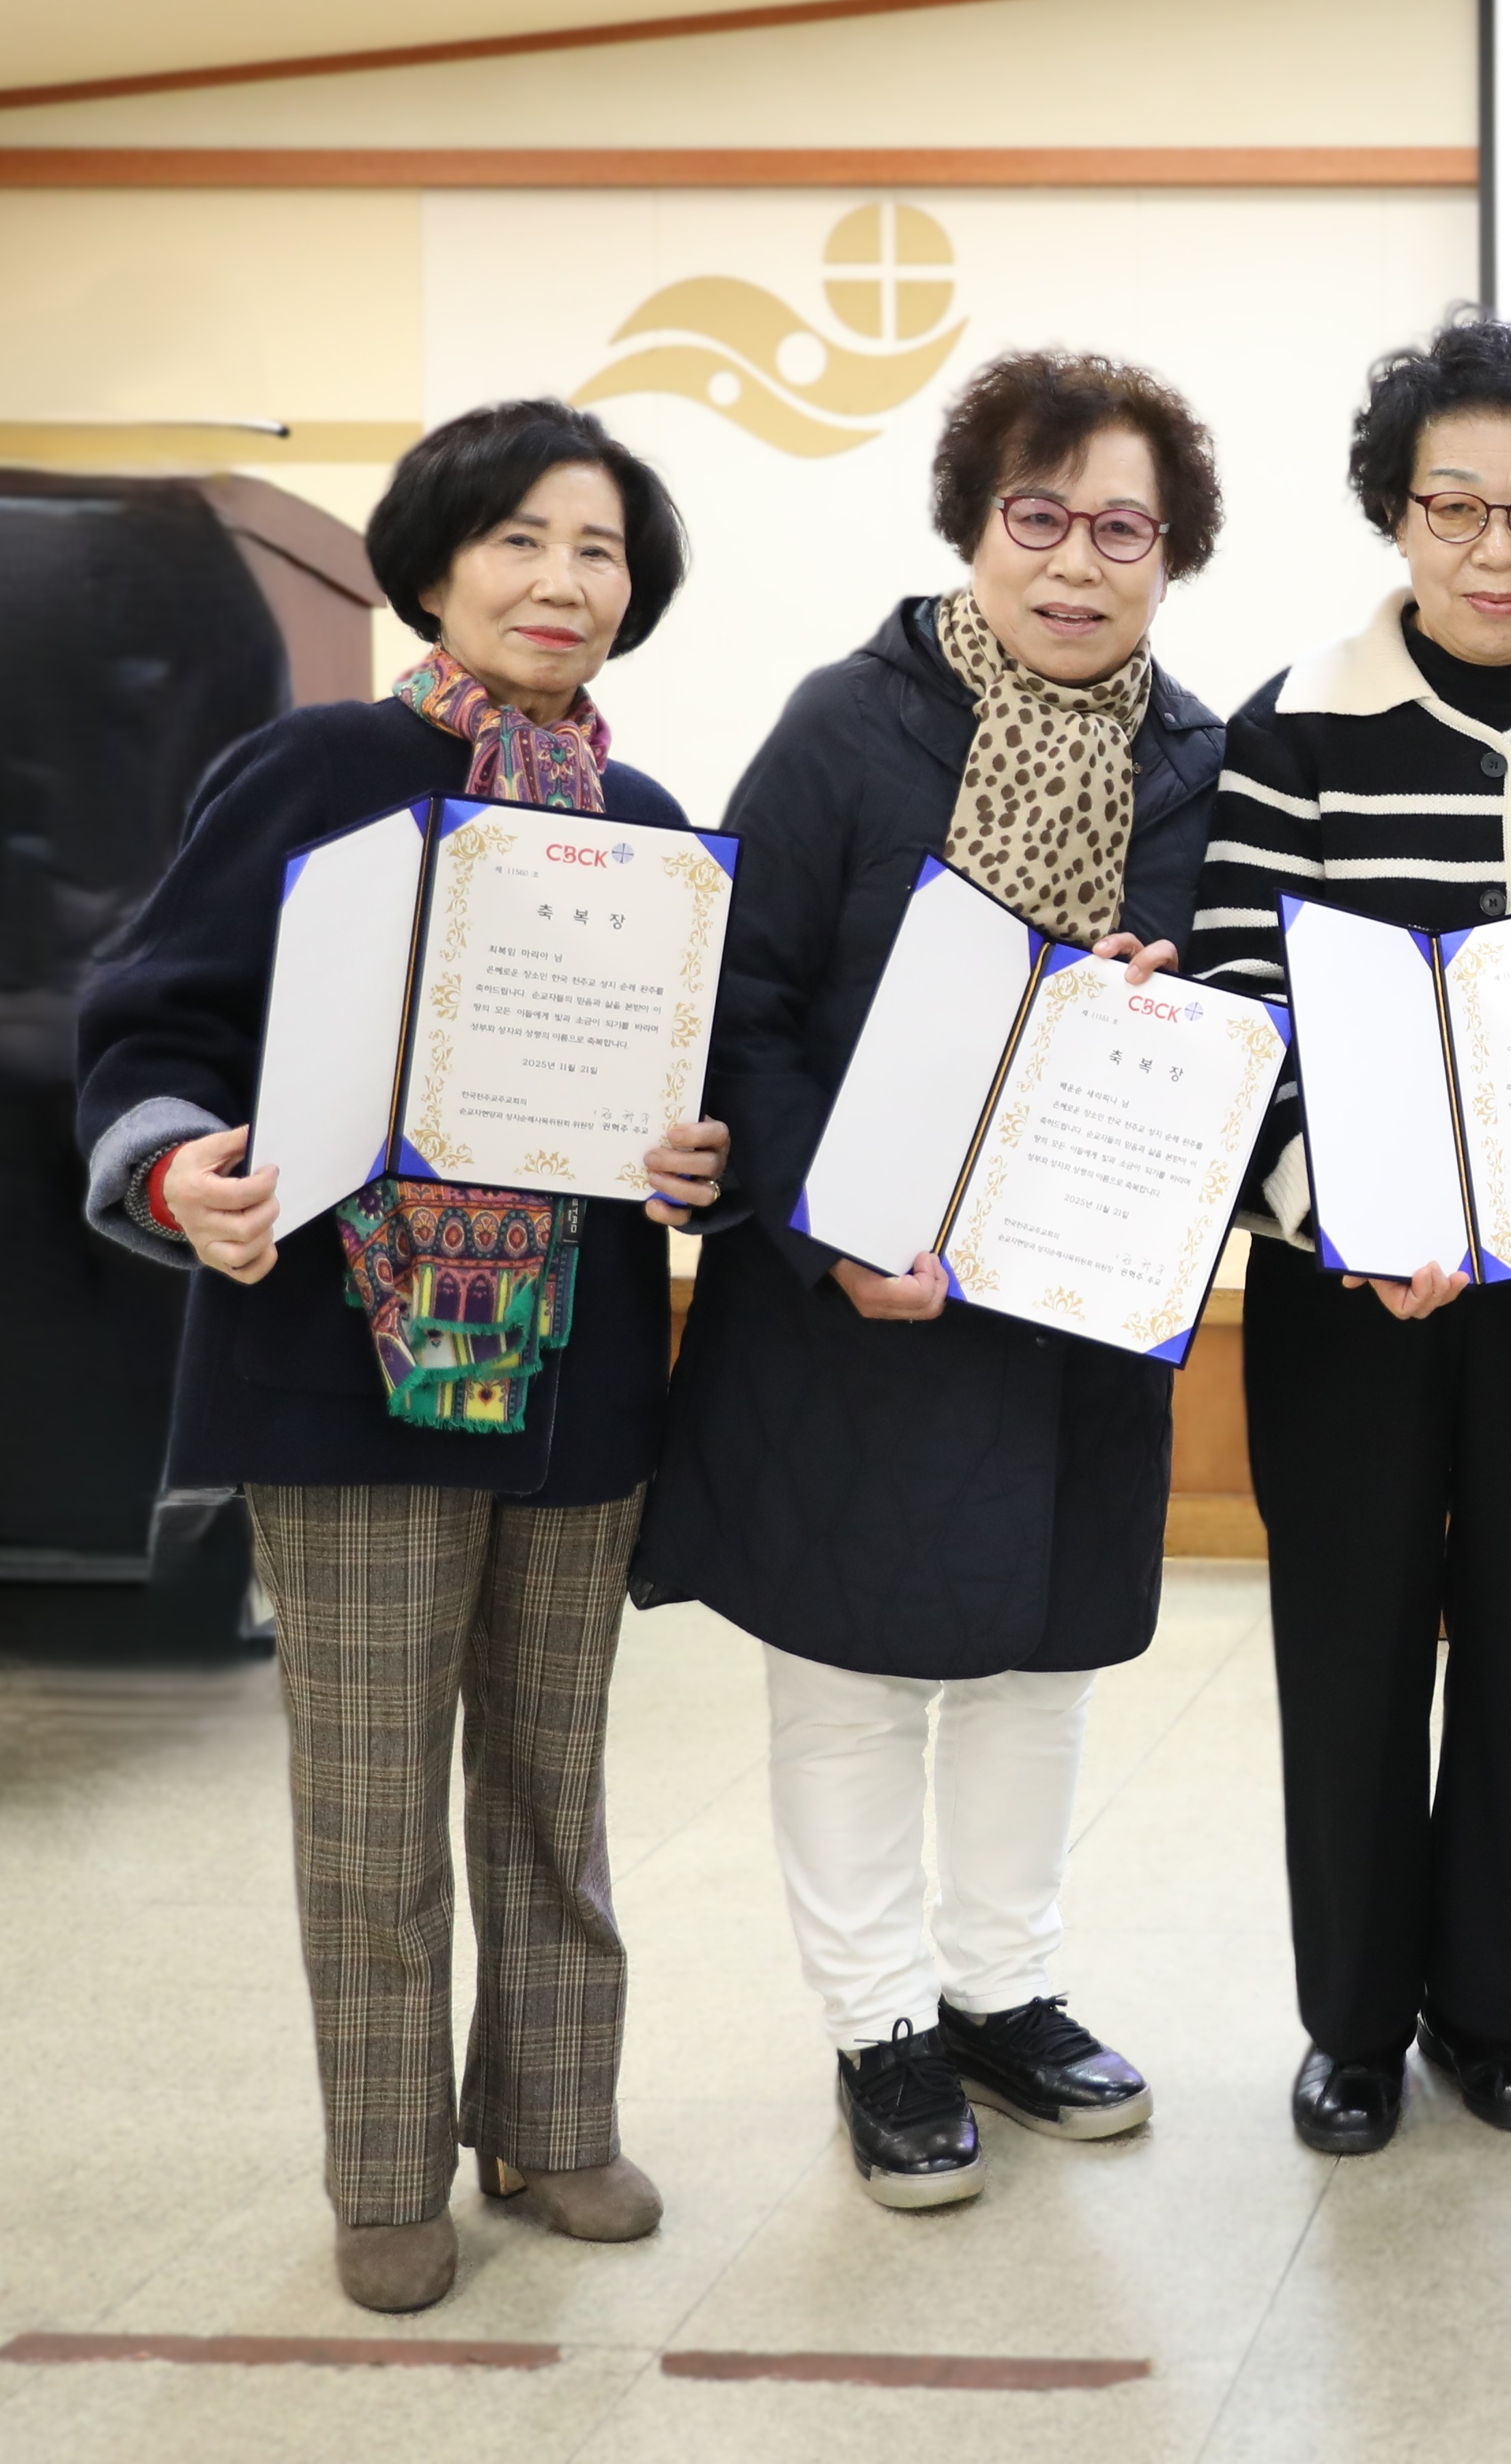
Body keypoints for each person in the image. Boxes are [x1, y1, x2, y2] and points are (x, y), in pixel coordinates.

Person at [74, 399, 725, 2313]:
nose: (562, 580)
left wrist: (703, 1152)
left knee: (553, 1785)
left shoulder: (652, 831)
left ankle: (553, 2122)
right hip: (344, 1367)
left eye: (600, 550)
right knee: (370, 1801)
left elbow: (687, 1099)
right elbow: (150, 1017)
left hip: (577, 1375)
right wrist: (179, 1159)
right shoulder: (318, 768)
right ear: (436, 562)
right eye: (522, 538)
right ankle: (384, 2170)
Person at [638, 349, 1226, 2212]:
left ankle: (1005, 1988)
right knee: (851, 1669)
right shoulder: (849, 728)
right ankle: (882, 2022)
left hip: (1066, 1310)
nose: (1076, 564)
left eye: (1120, 528)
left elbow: (1233, 1024)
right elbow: (744, 1006)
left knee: (1037, 1660)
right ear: (973, 531)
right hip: (857, 1304)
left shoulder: (1197, 762)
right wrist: (833, 1223)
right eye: (1035, 520)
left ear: (1169, 553)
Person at [1185, 313, 1511, 2158]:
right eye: (1457, 508)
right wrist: (1344, 1211)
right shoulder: (1296, 722)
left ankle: (1494, 2009)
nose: (1497, 550)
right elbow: (1241, 990)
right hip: (1347, 1289)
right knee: (1349, 1640)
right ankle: (1351, 2026)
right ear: (1397, 519)